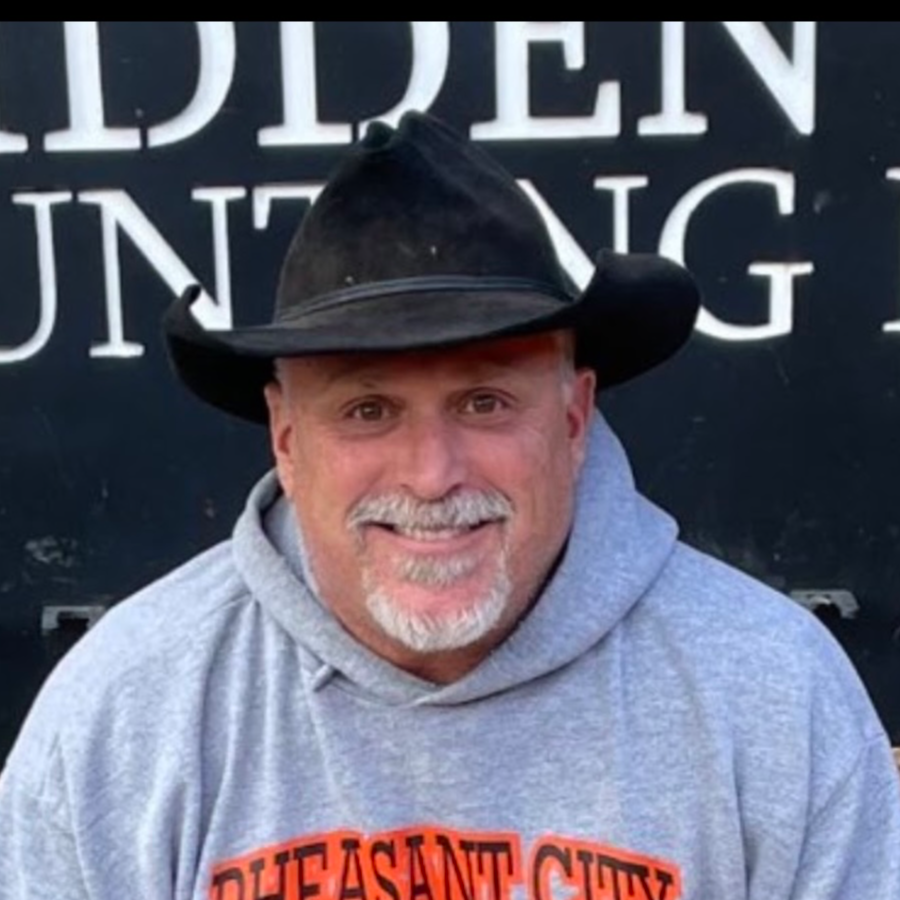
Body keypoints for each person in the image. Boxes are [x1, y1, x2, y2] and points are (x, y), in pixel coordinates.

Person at [0, 112, 897, 900]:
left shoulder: (778, 696)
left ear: (574, 418)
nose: (432, 475)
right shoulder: (122, 714)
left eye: (484, 402)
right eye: (368, 410)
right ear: (286, 437)